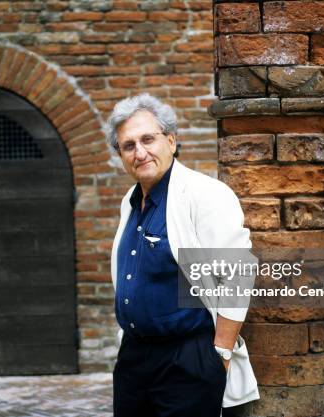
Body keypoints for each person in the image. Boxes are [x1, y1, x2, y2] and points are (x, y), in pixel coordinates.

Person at [107, 93, 259, 417]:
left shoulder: (204, 195)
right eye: (129, 145)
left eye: (148, 139)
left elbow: (237, 273)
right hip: (134, 358)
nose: (140, 152)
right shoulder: (130, 202)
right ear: (120, 155)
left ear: (171, 141)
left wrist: (220, 352)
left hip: (187, 358)